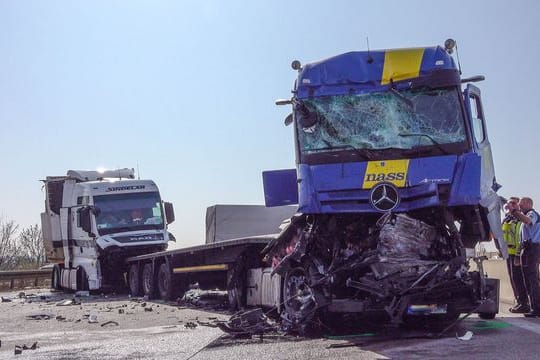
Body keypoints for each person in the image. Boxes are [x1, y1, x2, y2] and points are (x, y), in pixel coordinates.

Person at [511, 197, 540, 317]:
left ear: (529, 203)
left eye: (521, 205)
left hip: (532, 249)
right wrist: (518, 255)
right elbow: (522, 238)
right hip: (526, 249)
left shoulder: (532, 214)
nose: (520, 207)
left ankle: (537, 308)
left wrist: (514, 211)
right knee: (527, 279)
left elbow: (528, 221)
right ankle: (533, 306)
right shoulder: (524, 216)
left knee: (532, 279)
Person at [502, 197, 529, 313]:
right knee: (513, 279)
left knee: (519, 279)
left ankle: (524, 303)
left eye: (513, 203)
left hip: (518, 253)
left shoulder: (520, 219)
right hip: (509, 253)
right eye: (509, 203)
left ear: (518, 205)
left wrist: (518, 255)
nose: (510, 205)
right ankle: (519, 302)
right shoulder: (506, 219)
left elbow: (520, 237)